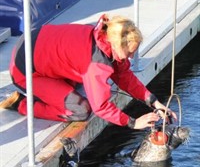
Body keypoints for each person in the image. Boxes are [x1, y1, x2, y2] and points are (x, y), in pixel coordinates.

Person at [0, 14, 176, 129]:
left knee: (83, 86)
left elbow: (124, 76)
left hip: (34, 44)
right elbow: (101, 107)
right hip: (26, 71)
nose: (131, 57)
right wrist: (133, 122)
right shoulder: (96, 63)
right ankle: (21, 103)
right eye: (129, 52)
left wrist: (154, 102)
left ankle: (51, 89)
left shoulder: (105, 37)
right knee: (81, 110)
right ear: (117, 44)